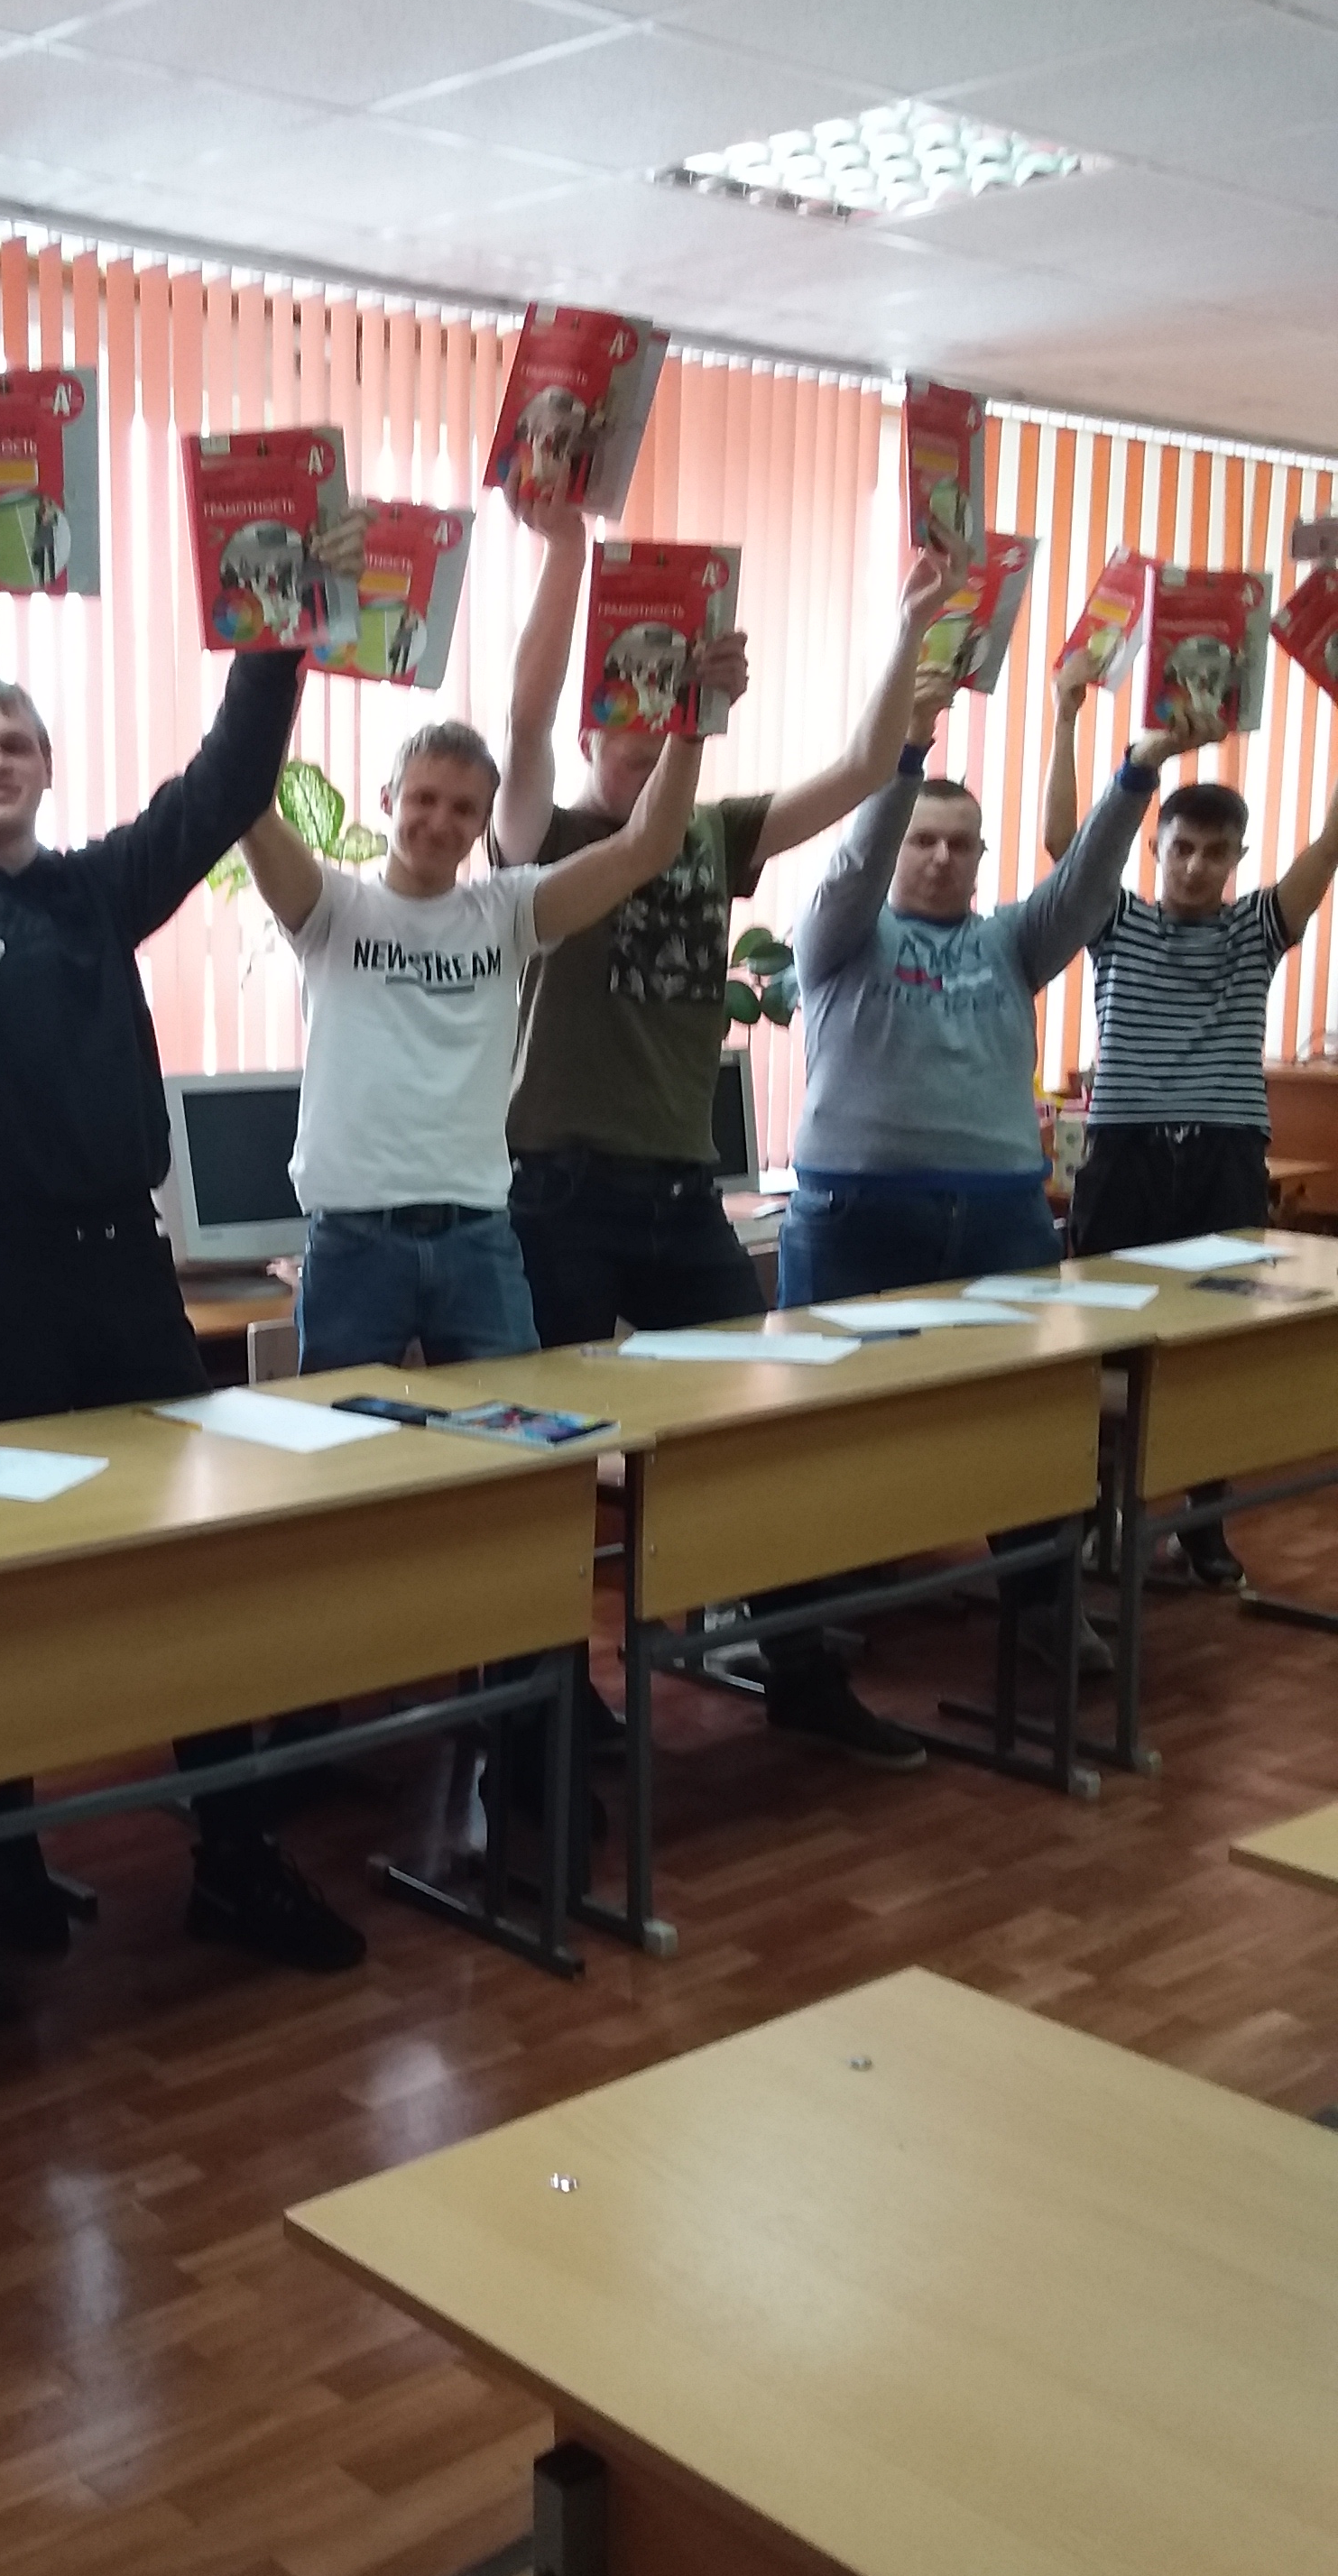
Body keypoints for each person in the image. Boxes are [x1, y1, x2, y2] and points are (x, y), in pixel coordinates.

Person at [0, 452, 364, 1975]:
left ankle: (235, 1857)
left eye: (16, 740)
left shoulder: (92, 891)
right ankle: (7, 1869)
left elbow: (223, 784)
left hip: (126, 1279)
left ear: (47, 767)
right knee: (1, 1583)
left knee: (185, 1566)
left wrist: (281, 622)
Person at [491, 503, 964, 1763]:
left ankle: (799, 1666)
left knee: (759, 1432)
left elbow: (861, 769)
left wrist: (911, 625)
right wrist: (563, 555)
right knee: (549, 1463)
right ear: (595, 731)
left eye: (668, 728)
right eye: (627, 730)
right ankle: (553, 1701)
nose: (646, 748)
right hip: (556, 1192)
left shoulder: (710, 830)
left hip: (677, 1195)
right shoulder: (547, 838)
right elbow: (523, 727)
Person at [780, 667, 1224, 1661]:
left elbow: (1086, 884)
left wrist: (1140, 770)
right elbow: (854, 864)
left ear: (981, 858)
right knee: (828, 1422)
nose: (940, 857)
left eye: (960, 844)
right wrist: (906, 754)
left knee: (1028, 1420)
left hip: (1001, 1220)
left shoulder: (1012, 942)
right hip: (857, 1217)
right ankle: (812, 1613)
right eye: (921, 840)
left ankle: (1041, 1605)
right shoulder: (841, 938)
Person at [241, 702, 732, 1370]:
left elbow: (644, 847)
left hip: (477, 1239)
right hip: (354, 1239)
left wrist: (691, 722)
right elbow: (248, 807)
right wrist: (283, 673)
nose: (440, 822)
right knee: (344, 1430)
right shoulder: (331, 909)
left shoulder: (506, 911)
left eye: (464, 809)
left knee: (519, 1428)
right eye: (424, 799)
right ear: (387, 799)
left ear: (483, 824)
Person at [1045, 650, 1338, 1585]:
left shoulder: (1258, 930)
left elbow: (1329, 846)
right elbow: (1063, 845)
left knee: (1215, 1348)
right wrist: (1065, 717)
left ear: (1237, 861)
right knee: (1107, 1339)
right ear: (1156, 849)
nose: (1198, 865)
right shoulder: (1116, 921)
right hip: (1125, 1153)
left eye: (1216, 853)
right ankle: (1096, 1517)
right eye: (1182, 848)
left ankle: (1202, 1526)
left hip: (1223, 1155)